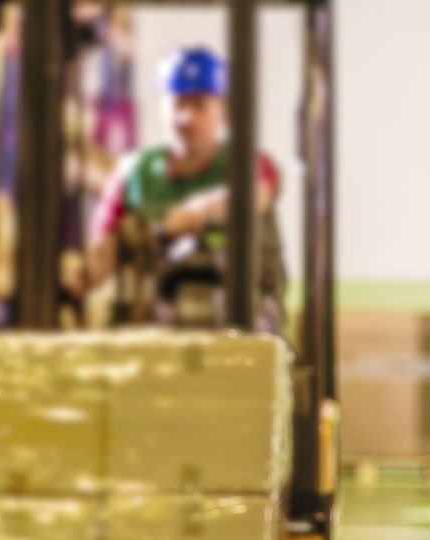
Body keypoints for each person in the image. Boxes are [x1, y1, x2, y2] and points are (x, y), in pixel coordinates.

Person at [87, 46, 286, 332]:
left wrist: (195, 214)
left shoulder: (249, 164)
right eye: (177, 104)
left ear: (224, 111)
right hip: (153, 331)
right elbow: (99, 252)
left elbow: (256, 194)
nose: (185, 117)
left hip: (241, 329)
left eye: (198, 105)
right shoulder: (132, 173)